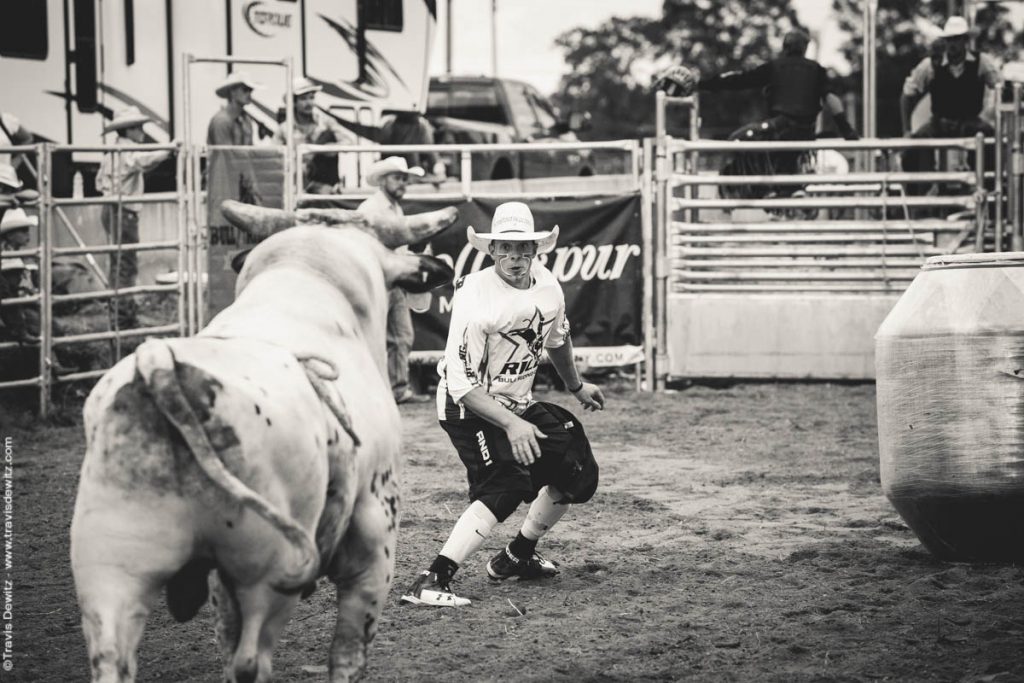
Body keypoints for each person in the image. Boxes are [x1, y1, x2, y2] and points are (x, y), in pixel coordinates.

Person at [400, 201, 605, 608]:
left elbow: (557, 338)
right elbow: (461, 385)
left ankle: (516, 557)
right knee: (507, 482)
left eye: (523, 249)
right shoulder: (475, 300)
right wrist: (513, 426)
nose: (515, 257)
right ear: (491, 250)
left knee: (574, 459)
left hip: (516, 404)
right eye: (506, 249)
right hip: (467, 407)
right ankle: (431, 578)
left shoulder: (547, 288)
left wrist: (576, 386)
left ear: (536, 250)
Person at [657, 29, 858, 200]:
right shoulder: (817, 70)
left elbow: (739, 81)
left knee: (739, 140)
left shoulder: (775, 67)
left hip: (780, 127)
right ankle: (786, 188)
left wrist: (703, 84)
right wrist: (847, 130)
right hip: (805, 132)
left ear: (784, 48)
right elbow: (832, 99)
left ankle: (761, 189)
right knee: (786, 150)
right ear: (805, 49)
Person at [356, 156, 431, 404]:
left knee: (402, 336)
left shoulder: (393, 209)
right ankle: (379, 389)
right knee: (377, 336)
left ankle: (397, 390)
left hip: (393, 279)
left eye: (404, 180)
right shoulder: (369, 210)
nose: (403, 184)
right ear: (383, 180)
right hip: (376, 279)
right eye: (398, 178)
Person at [900, 16, 998, 187]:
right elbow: (908, 93)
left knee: (990, 141)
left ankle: (987, 188)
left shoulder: (982, 62)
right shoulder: (930, 65)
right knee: (914, 147)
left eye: (957, 39)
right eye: (950, 39)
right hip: (940, 121)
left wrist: (995, 115)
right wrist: (907, 129)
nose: (953, 44)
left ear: (965, 41)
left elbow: (1000, 86)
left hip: (970, 121)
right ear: (944, 42)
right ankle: (922, 193)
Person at [96, 107, 172, 330]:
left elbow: (99, 182)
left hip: (112, 207)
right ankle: (123, 317)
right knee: (126, 264)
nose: (141, 131)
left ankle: (118, 312)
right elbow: (143, 161)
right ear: (127, 130)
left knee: (119, 263)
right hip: (123, 210)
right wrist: (168, 149)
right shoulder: (128, 151)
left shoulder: (113, 151)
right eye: (137, 127)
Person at [274, 77, 354, 194]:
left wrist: (328, 148)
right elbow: (274, 155)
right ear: (294, 102)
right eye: (303, 99)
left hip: (325, 183)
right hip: (298, 184)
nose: (309, 103)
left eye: (311, 98)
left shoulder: (326, 122)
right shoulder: (284, 129)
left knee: (327, 135)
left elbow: (349, 142)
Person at [207, 72, 263, 206]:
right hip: (224, 181)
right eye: (245, 90)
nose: (249, 94)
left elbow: (249, 152)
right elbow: (227, 156)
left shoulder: (246, 120)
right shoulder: (221, 121)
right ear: (232, 93)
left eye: (250, 90)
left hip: (242, 181)